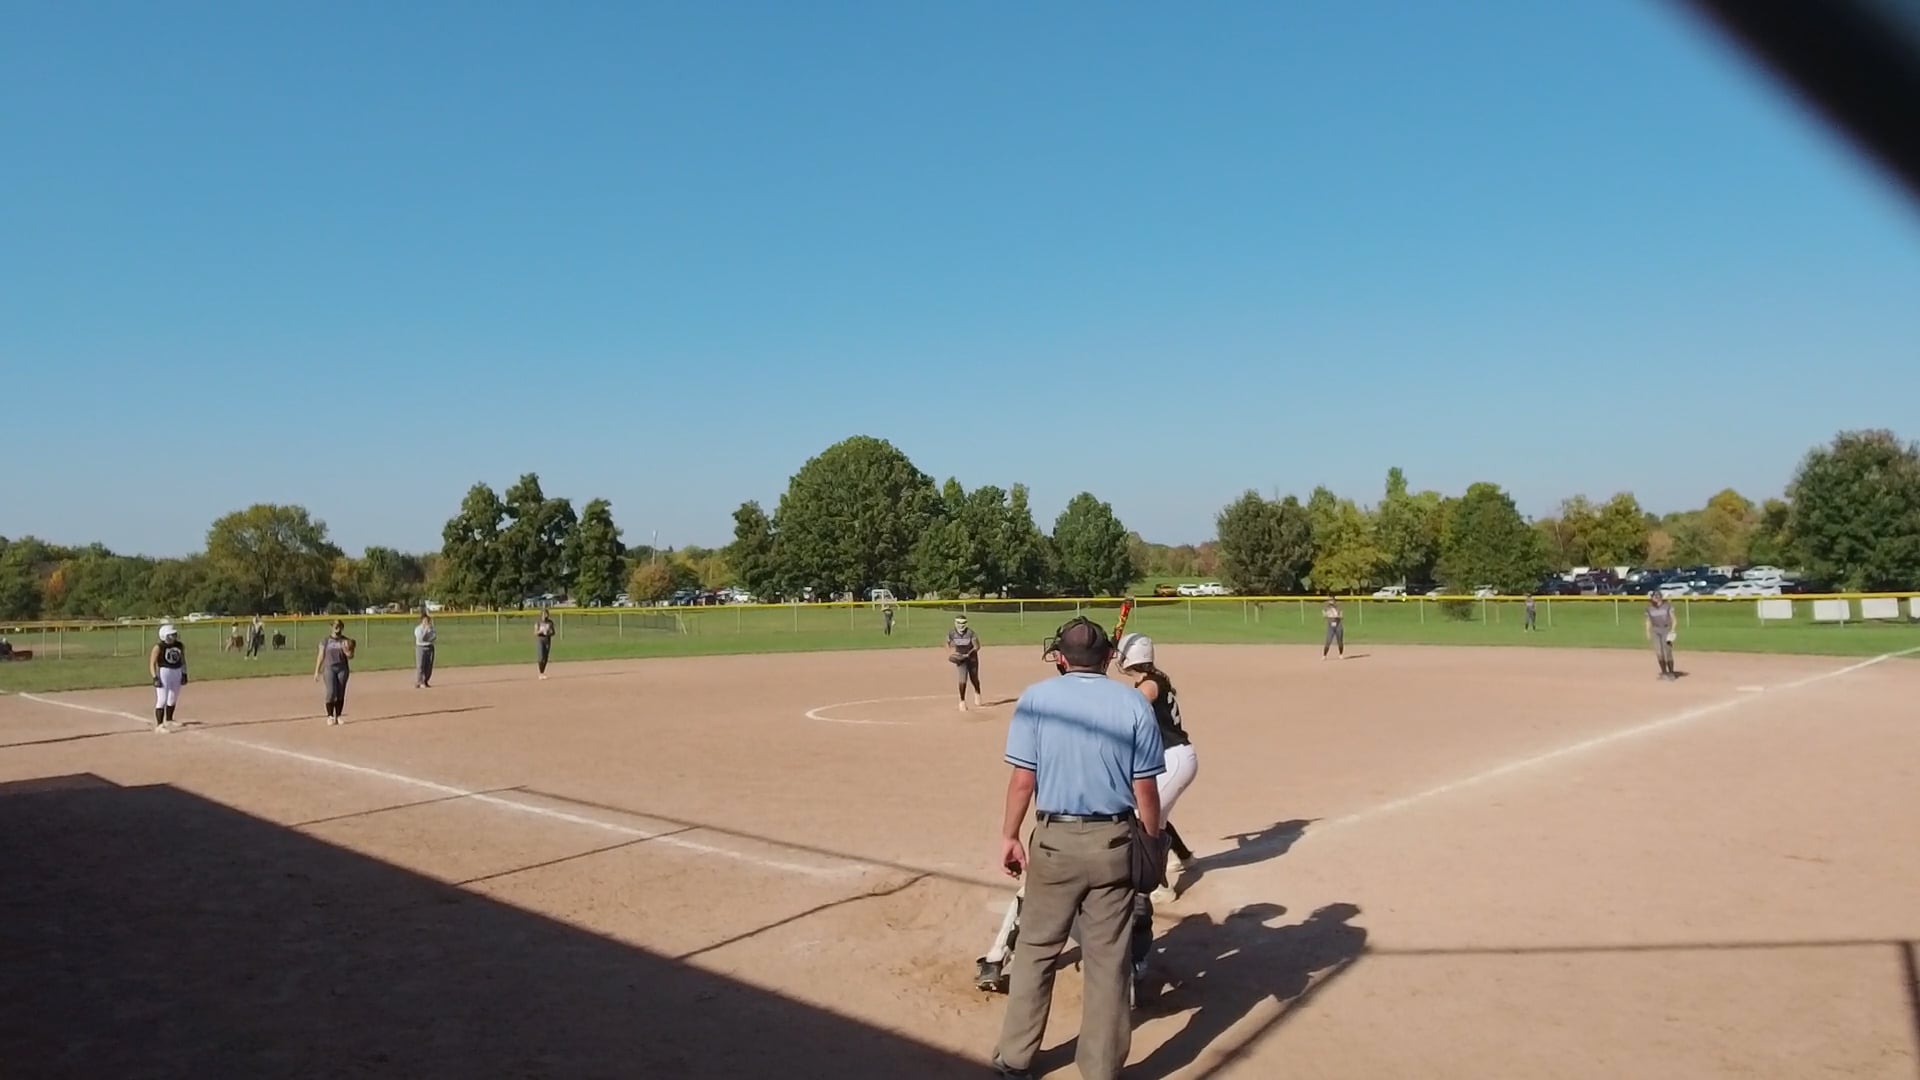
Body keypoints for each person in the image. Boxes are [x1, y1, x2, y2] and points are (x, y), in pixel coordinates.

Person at [990, 616, 1164, 1080]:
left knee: (1036, 951)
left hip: (1055, 843)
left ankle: (1016, 1058)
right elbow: (1145, 788)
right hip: (1113, 842)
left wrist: (1010, 835)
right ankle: (1101, 1068)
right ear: (1107, 657)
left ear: (1061, 658)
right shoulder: (1134, 702)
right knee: (1109, 960)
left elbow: (1023, 780)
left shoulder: (1036, 698)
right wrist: (1151, 839)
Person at [1117, 633, 1197, 908]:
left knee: (1144, 817)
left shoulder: (1150, 684)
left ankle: (1160, 886)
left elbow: (1131, 706)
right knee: (1155, 812)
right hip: (1172, 757)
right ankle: (1184, 856)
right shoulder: (1152, 679)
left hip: (1174, 757)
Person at [314, 619, 356, 725]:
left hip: (342, 668)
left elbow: (350, 656)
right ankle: (330, 716)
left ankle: (338, 716)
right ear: (331, 627)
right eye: (335, 626)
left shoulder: (345, 641)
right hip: (329, 668)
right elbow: (321, 656)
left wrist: (348, 650)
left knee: (340, 692)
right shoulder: (325, 641)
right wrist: (317, 671)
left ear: (342, 627)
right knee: (331, 692)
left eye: (339, 626)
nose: (337, 627)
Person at [148, 623, 188, 733]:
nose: (173, 636)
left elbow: (183, 660)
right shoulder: (159, 647)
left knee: (173, 697)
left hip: (177, 671)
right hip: (164, 672)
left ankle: (169, 719)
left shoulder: (179, 645)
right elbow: (152, 663)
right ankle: (159, 725)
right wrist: (155, 677)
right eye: (171, 635)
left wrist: (184, 673)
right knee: (162, 699)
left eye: (174, 634)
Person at [947, 615, 982, 711]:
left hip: (972, 658)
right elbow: (947, 643)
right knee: (962, 679)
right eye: (959, 623)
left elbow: (977, 646)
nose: (961, 625)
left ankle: (977, 692)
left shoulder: (971, 633)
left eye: (963, 623)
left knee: (974, 678)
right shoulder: (951, 633)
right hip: (960, 659)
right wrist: (951, 653)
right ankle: (962, 701)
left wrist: (968, 654)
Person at [1646, 593, 1678, 680]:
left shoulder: (1667, 606)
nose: (1653, 599)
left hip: (1666, 630)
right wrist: (1648, 632)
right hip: (1655, 630)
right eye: (1653, 597)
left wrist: (1673, 629)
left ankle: (1671, 673)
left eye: (1655, 597)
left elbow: (1674, 619)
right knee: (1659, 653)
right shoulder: (1649, 608)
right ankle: (1664, 672)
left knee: (1668, 652)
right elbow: (1648, 621)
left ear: (1659, 598)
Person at [414, 612, 437, 688]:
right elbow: (421, 639)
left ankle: (425, 681)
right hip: (421, 648)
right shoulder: (418, 629)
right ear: (421, 621)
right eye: (425, 621)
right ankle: (420, 681)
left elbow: (433, 637)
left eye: (427, 621)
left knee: (429, 666)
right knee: (420, 665)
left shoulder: (431, 628)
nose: (426, 622)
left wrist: (430, 634)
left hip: (430, 647)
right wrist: (426, 630)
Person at [535, 608, 556, 680]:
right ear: (541, 615)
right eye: (543, 614)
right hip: (540, 640)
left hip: (547, 640)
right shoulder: (538, 622)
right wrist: (540, 632)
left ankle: (542, 672)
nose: (545, 616)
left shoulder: (550, 622)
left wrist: (549, 632)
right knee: (541, 657)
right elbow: (535, 632)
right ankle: (540, 673)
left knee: (545, 657)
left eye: (546, 614)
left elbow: (553, 632)